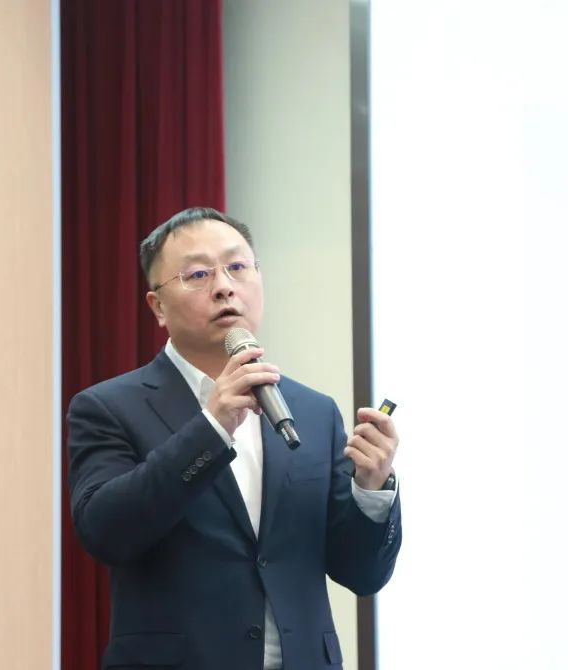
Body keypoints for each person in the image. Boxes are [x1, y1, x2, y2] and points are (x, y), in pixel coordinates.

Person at [67, 207, 401, 670]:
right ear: (157, 307)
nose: (224, 286)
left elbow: (361, 573)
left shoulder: (313, 411)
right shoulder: (108, 407)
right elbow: (106, 532)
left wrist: (371, 488)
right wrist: (211, 427)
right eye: (198, 274)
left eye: (237, 267)